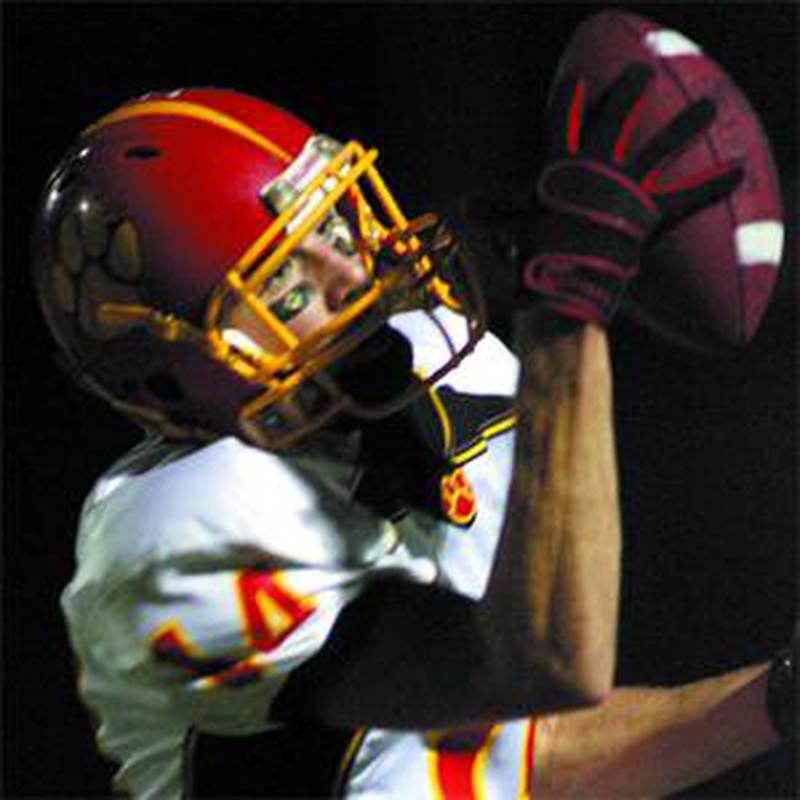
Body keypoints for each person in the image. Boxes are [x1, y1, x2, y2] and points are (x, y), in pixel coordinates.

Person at [33, 42, 794, 800]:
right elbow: (546, 662)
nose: (354, 272)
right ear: (179, 374)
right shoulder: (169, 534)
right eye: (287, 291)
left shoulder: (438, 363)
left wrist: (778, 699)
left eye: (334, 227)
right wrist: (570, 311)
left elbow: (502, 761)